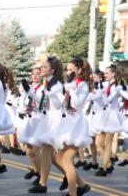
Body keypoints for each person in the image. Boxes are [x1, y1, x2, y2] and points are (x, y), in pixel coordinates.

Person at [28, 56, 67, 193]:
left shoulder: (56, 85)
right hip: (48, 119)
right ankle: (71, 178)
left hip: (55, 121)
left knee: (46, 152)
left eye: (45, 67)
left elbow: (58, 104)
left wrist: (51, 93)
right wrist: (30, 92)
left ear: (52, 70)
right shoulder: (48, 83)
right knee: (49, 155)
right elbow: (43, 103)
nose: (41, 69)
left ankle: (43, 184)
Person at [55, 57, 92, 196]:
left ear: (79, 70)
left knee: (66, 159)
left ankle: (73, 192)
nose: (68, 72)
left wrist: (70, 88)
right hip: (67, 124)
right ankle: (82, 185)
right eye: (67, 69)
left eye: (71, 69)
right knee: (59, 158)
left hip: (77, 126)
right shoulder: (72, 83)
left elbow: (77, 104)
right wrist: (56, 91)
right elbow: (63, 104)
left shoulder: (83, 85)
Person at [95, 64, 125, 176]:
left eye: (107, 73)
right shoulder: (105, 84)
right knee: (99, 142)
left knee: (108, 142)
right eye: (105, 72)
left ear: (113, 74)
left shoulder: (117, 86)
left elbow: (108, 100)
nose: (105, 74)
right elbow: (100, 100)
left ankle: (104, 167)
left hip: (113, 115)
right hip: (105, 114)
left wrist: (102, 93)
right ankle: (109, 165)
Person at [18, 65, 43, 183]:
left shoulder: (43, 88)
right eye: (33, 74)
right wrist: (23, 109)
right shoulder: (28, 87)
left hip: (38, 120)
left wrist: (30, 93)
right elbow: (22, 101)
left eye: (38, 74)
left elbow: (42, 103)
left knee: (36, 149)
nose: (35, 76)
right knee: (28, 149)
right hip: (29, 119)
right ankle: (35, 169)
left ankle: (41, 176)